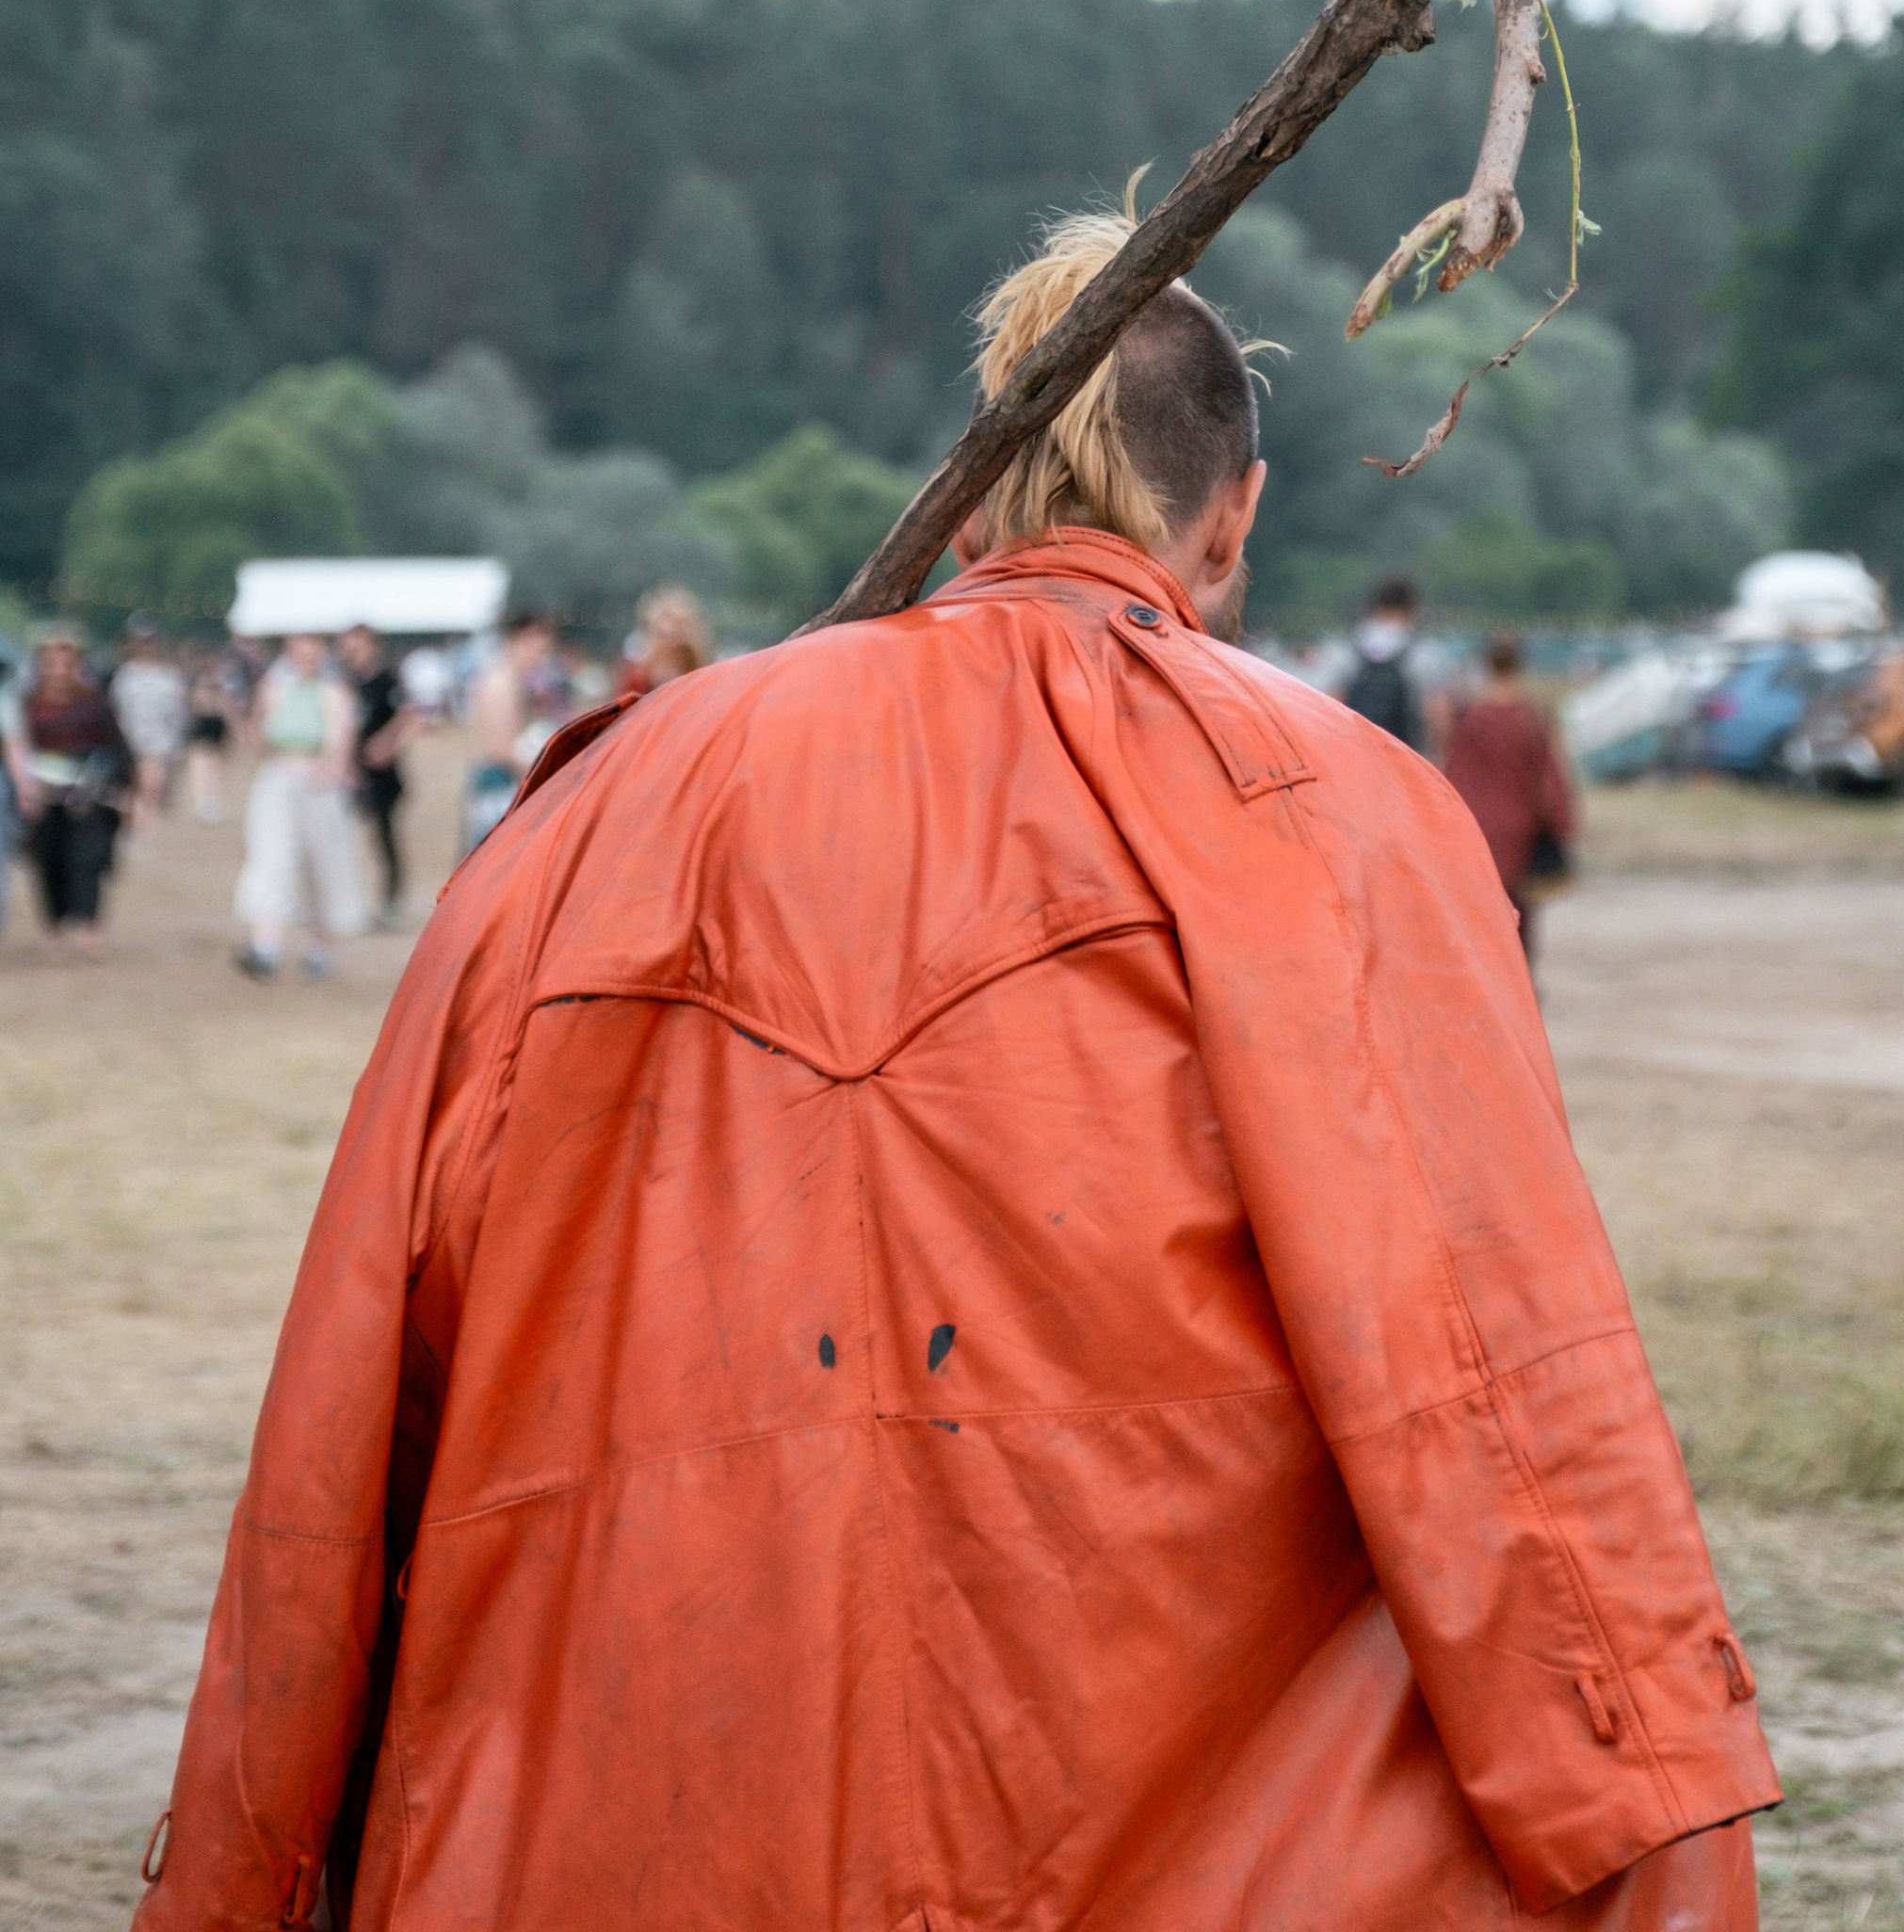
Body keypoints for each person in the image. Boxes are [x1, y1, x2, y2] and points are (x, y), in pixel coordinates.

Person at [137, 207, 1773, 1931]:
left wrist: (253, 1866)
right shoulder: (1347, 817)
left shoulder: (596, 810)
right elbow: (1495, 1397)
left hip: (625, 1825)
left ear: (983, 496)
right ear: (1239, 517)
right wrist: (1653, 1823)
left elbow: (347, 1411)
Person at [234, 633, 368, 980]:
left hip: (318, 783)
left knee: (323, 862)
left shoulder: (333, 691)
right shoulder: (275, 687)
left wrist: (331, 768)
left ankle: (319, 946)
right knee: (272, 857)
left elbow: (342, 736)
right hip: (278, 777)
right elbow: (257, 738)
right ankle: (266, 944)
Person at [1444, 633, 1580, 964]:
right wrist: (1561, 824)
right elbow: (1551, 775)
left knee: (1482, 919)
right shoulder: (1533, 715)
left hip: (1480, 828)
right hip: (1522, 829)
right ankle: (1521, 990)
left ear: (1487, 663)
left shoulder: (1472, 717)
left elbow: (1455, 774)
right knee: (1522, 919)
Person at [9, 626, 132, 959]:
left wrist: (122, 787)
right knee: (48, 863)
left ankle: (88, 928)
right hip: (43, 798)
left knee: (86, 861)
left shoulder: (94, 702)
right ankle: (53, 928)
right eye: (52, 663)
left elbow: (117, 746)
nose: (60, 671)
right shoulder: (28, 703)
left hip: (89, 798)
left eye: (66, 663)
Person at [458, 610, 554, 855]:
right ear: (516, 640)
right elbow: (499, 749)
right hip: (496, 791)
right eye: (538, 650)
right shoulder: (500, 684)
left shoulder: (508, 681)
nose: (540, 658)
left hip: (500, 786)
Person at [340, 626, 411, 929]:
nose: (351, 652)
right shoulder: (346, 682)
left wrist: (386, 743)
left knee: (384, 839)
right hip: (351, 775)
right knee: (344, 838)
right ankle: (347, 902)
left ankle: (389, 903)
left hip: (383, 776)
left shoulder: (386, 679)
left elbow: (408, 713)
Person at [1333, 571, 1429, 749]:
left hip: (1359, 749)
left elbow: (1334, 699)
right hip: (1404, 752)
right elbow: (1433, 709)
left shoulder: (1353, 645)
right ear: (1411, 608)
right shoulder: (1419, 650)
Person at [110, 618, 189, 830]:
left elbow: (178, 711)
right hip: (131, 739)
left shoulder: (167, 675)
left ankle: (151, 826)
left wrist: (178, 739)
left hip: (160, 740)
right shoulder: (124, 675)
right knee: (138, 786)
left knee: (155, 785)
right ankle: (141, 826)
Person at [182, 640, 248, 828]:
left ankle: (212, 799)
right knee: (201, 761)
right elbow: (194, 705)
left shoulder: (220, 681)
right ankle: (203, 798)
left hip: (215, 725)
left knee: (216, 762)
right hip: (203, 724)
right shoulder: (197, 681)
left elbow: (227, 707)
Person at [624, 582, 710, 694]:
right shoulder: (637, 678)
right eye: (660, 620)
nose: (667, 627)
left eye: (673, 620)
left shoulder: (702, 670)